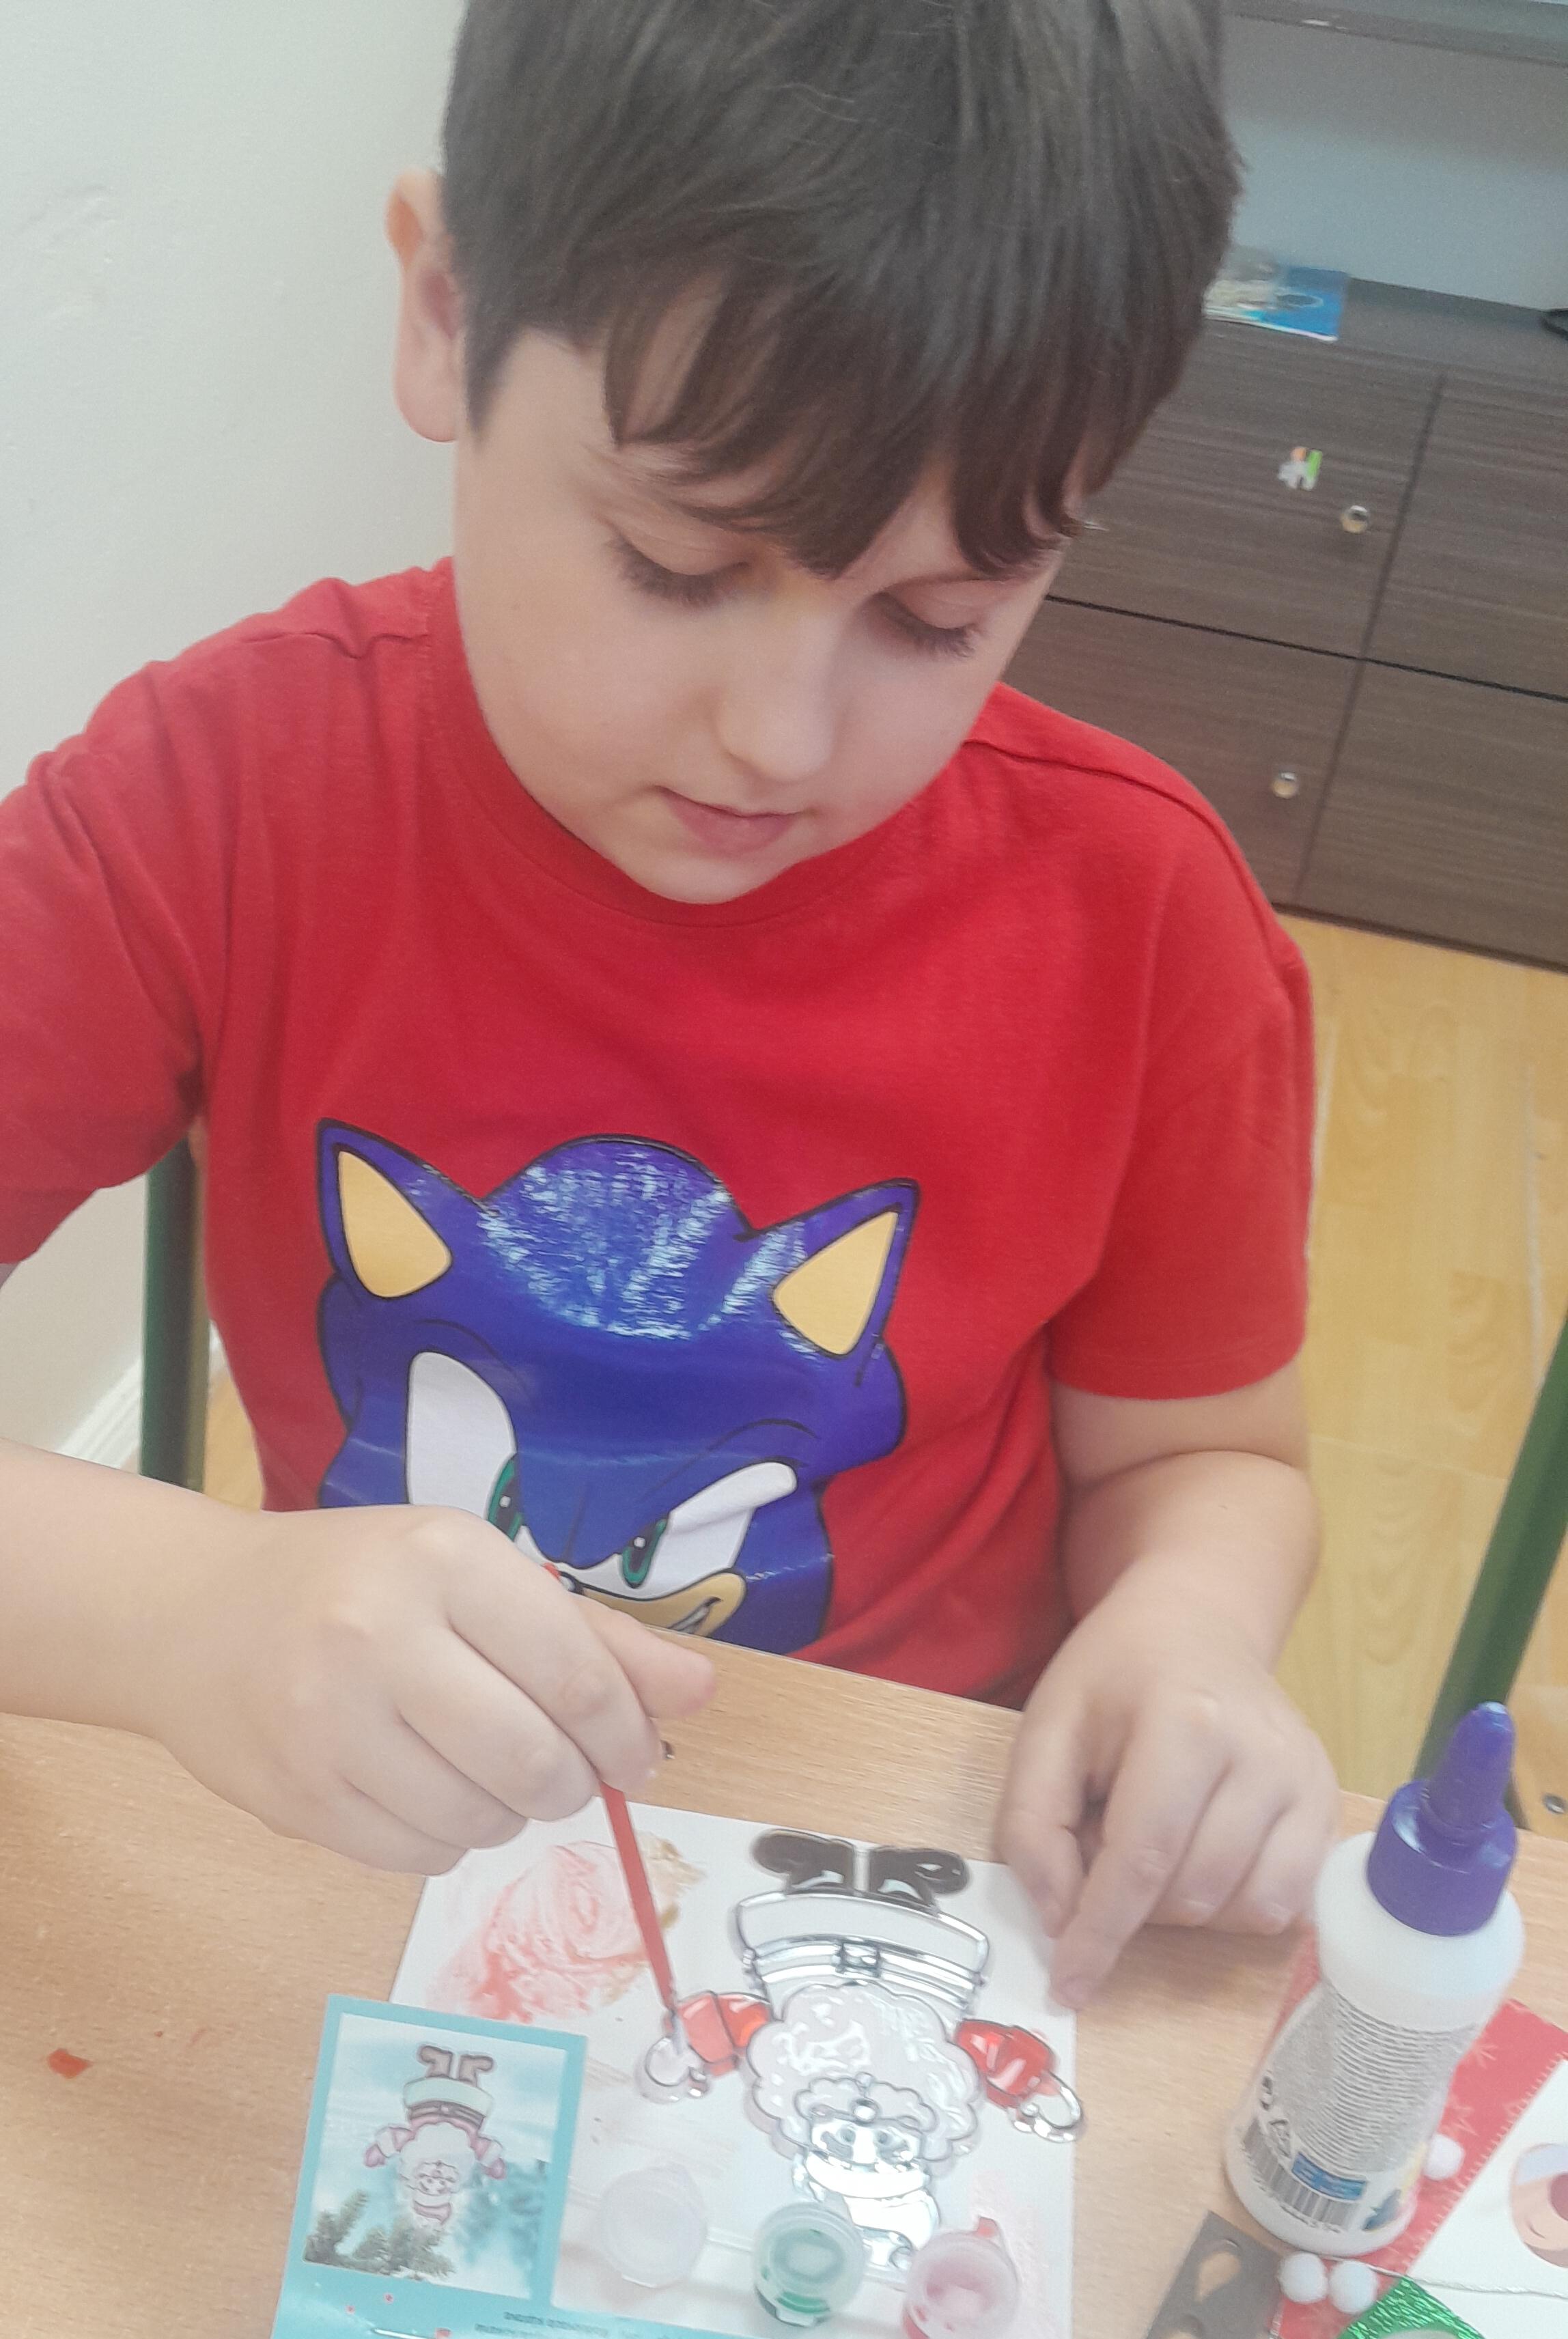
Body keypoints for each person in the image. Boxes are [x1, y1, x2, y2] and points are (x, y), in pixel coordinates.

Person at [0, 0, 1339, 2007]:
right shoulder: (216, 803)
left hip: (904, 1859)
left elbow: (1209, 1460)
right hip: (382, 1822)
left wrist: (1189, 1633)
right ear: (444, 315)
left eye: (936, 618)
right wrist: (175, 1610)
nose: (777, 736)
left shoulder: (1142, 923)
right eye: (674, 565)